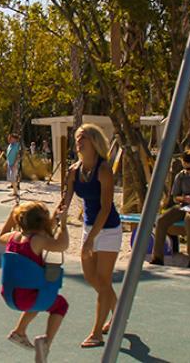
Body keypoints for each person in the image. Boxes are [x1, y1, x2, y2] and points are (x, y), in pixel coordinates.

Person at [63, 123, 121, 348]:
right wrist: (58, 216)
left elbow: (106, 208)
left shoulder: (104, 169)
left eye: (83, 137)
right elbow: (66, 200)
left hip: (108, 230)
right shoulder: (73, 170)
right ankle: (119, 312)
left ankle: (97, 333)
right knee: (92, 278)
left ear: (94, 141)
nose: (79, 141)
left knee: (103, 280)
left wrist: (89, 239)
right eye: (77, 137)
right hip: (90, 226)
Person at [0, 201, 69, 363]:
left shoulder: (13, 237)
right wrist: (63, 225)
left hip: (10, 295)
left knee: (39, 295)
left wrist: (10, 218)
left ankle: (20, 331)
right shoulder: (37, 241)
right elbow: (62, 245)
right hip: (28, 297)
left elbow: (0, 236)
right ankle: (46, 344)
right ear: (42, 223)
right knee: (60, 304)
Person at [150, 150, 190, 269]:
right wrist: (183, 198)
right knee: (161, 220)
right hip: (185, 205)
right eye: (187, 169)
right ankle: (157, 257)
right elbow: (175, 197)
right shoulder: (180, 176)